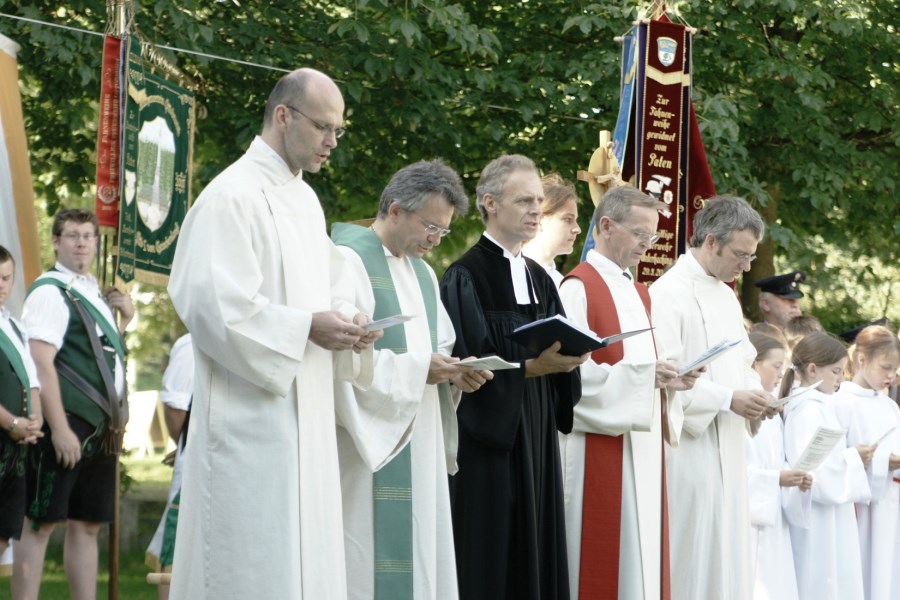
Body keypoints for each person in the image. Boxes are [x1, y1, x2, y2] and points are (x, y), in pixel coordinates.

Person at [167, 68, 379, 600]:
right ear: (283, 116)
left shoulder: (304, 200)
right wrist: (306, 327)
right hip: (251, 424)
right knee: (255, 566)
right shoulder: (229, 197)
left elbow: (332, 284)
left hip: (305, 418)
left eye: (339, 130)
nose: (332, 140)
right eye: (324, 126)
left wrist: (348, 321)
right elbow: (210, 305)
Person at [332, 159, 493, 600]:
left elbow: (436, 348)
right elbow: (342, 360)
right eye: (431, 228)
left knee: (422, 552)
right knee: (363, 561)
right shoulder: (347, 260)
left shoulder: (422, 273)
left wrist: (456, 373)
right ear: (397, 210)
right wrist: (422, 369)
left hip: (417, 436)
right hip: (368, 445)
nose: (436, 239)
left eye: (442, 231)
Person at [439, 154, 586, 599]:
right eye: (524, 200)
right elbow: (467, 365)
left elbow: (559, 361)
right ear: (489, 203)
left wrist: (568, 361)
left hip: (536, 430)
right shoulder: (466, 275)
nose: (535, 211)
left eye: (539, 201)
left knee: (537, 546)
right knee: (493, 550)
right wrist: (526, 368)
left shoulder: (541, 279)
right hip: (491, 443)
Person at [557, 186, 700, 599]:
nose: (647, 245)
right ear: (605, 226)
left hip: (643, 444)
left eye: (652, 236)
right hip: (599, 447)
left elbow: (643, 370)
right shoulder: (578, 288)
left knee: (643, 563)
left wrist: (670, 380)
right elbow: (570, 377)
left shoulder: (639, 292)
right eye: (640, 234)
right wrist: (642, 378)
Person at [648, 195, 774, 599]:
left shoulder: (725, 295)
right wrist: (726, 400)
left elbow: (743, 362)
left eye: (752, 257)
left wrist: (755, 396)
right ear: (711, 242)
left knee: (729, 559)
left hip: (729, 448)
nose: (746, 266)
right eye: (740, 254)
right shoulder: (667, 292)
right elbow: (667, 376)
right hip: (690, 452)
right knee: (692, 556)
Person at [13, 208, 133, 600]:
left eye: (87, 235)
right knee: (41, 522)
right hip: (66, 421)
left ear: (96, 243)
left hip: (100, 429)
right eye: (72, 235)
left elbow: (99, 354)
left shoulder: (91, 289)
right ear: (56, 242)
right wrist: (60, 429)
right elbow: (41, 362)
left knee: (88, 524)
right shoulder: (51, 291)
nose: (81, 242)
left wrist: (125, 320)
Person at [781, 331, 872, 600]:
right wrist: (854, 458)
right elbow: (814, 469)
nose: (841, 379)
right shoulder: (808, 410)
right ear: (812, 369)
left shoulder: (818, 405)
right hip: (818, 517)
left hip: (830, 515)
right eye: (836, 371)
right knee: (823, 580)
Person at [831, 325, 900, 600]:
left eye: (896, 370)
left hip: (892, 504)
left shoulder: (890, 407)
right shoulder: (841, 403)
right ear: (861, 360)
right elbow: (838, 459)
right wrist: (883, 463)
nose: (892, 377)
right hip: (862, 509)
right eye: (886, 368)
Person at [745, 332, 810, 600]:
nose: (781, 374)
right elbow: (737, 468)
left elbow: (779, 456)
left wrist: (794, 476)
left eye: (783, 367)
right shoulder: (743, 407)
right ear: (753, 364)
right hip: (751, 521)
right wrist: (775, 479)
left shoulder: (773, 412)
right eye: (776, 366)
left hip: (775, 521)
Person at [0, 246, 42, 561]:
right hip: (4, 435)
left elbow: (32, 379)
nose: (1, 285)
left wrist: (34, 421)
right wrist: (12, 423)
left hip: (16, 446)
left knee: (4, 532)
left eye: (5, 277)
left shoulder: (14, 326)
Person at [145, 333, 194, 600]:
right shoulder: (193, 342)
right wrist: (190, 447)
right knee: (176, 548)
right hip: (198, 468)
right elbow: (175, 407)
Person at [522, 173, 582, 288]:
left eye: (575, 220)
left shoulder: (562, 285)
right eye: (568, 219)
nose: (577, 229)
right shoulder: (504, 276)